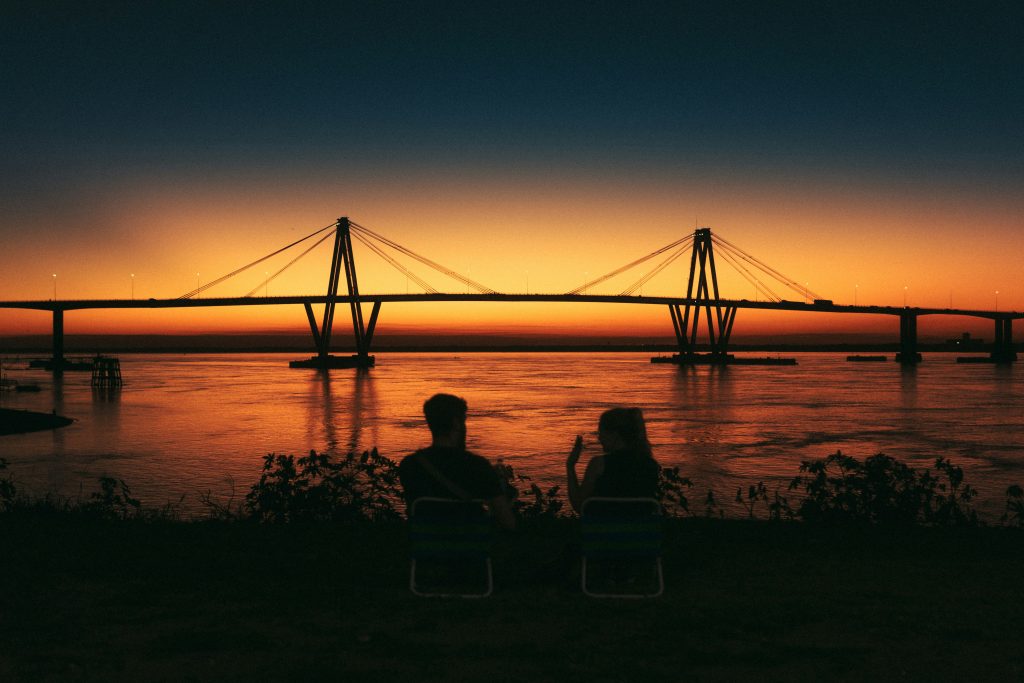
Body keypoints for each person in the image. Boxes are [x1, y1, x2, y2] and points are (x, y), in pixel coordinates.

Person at [399, 393, 516, 530]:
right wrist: (499, 485)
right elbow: (508, 523)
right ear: (456, 423)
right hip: (471, 549)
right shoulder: (478, 466)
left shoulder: (410, 465)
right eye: (464, 420)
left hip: (426, 548)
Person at [566, 407, 660, 513]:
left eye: (601, 433)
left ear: (614, 435)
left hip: (602, 528)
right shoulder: (651, 465)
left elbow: (579, 505)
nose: (599, 438)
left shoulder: (599, 464)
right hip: (642, 528)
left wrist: (570, 465)